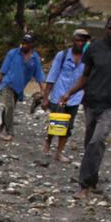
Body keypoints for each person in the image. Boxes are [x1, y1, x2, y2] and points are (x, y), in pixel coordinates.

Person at [56, 12, 111, 199]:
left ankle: (84, 186)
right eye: (110, 28)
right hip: (90, 101)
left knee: (97, 141)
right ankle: (92, 180)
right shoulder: (95, 47)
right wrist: (69, 93)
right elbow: (85, 76)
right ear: (106, 27)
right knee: (90, 143)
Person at [39, 29, 89, 165]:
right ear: (73, 41)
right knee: (55, 122)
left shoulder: (88, 57)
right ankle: (48, 142)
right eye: (78, 40)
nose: (80, 43)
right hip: (59, 94)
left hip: (75, 97)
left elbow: (87, 77)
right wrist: (45, 97)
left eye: (83, 41)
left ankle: (59, 152)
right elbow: (52, 76)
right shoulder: (62, 55)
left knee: (68, 126)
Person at [0, 33, 44, 142]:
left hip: (19, 88)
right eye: (23, 43)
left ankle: (0, 130)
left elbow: (39, 75)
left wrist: (43, 90)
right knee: (9, 107)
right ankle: (10, 133)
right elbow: (2, 71)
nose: (24, 45)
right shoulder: (13, 53)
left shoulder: (35, 58)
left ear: (32, 45)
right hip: (7, 84)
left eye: (27, 43)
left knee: (8, 109)